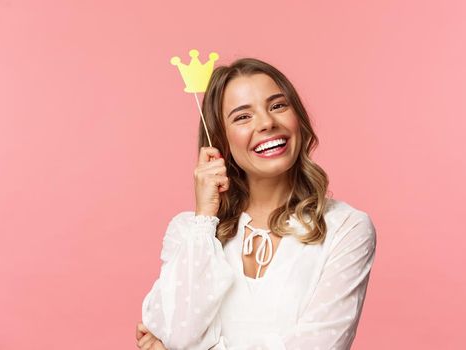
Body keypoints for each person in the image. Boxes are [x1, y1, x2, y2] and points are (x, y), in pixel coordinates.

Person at [136, 58, 377, 350]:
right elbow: (177, 331)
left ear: (298, 118)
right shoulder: (189, 231)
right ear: (221, 141)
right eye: (242, 117)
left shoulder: (346, 228)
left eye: (277, 106)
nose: (266, 123)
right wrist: (204, 219)